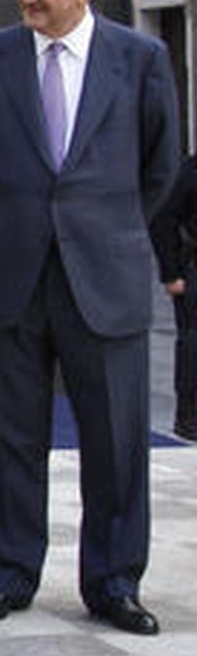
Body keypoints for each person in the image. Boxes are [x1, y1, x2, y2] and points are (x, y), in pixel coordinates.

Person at [0, 0, 180, 635]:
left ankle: (113, 580)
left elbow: (159, 168)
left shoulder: (139, 59)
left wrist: (98, 227)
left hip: (104, 277)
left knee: (116, 439)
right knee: (10, 437)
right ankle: (11, 571)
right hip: (13, 275)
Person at [150, 152, 197, 442]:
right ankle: (188, 415)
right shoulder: (191, 172)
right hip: (194, 273)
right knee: (193, 345)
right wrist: (171, 273)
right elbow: (163, 221)